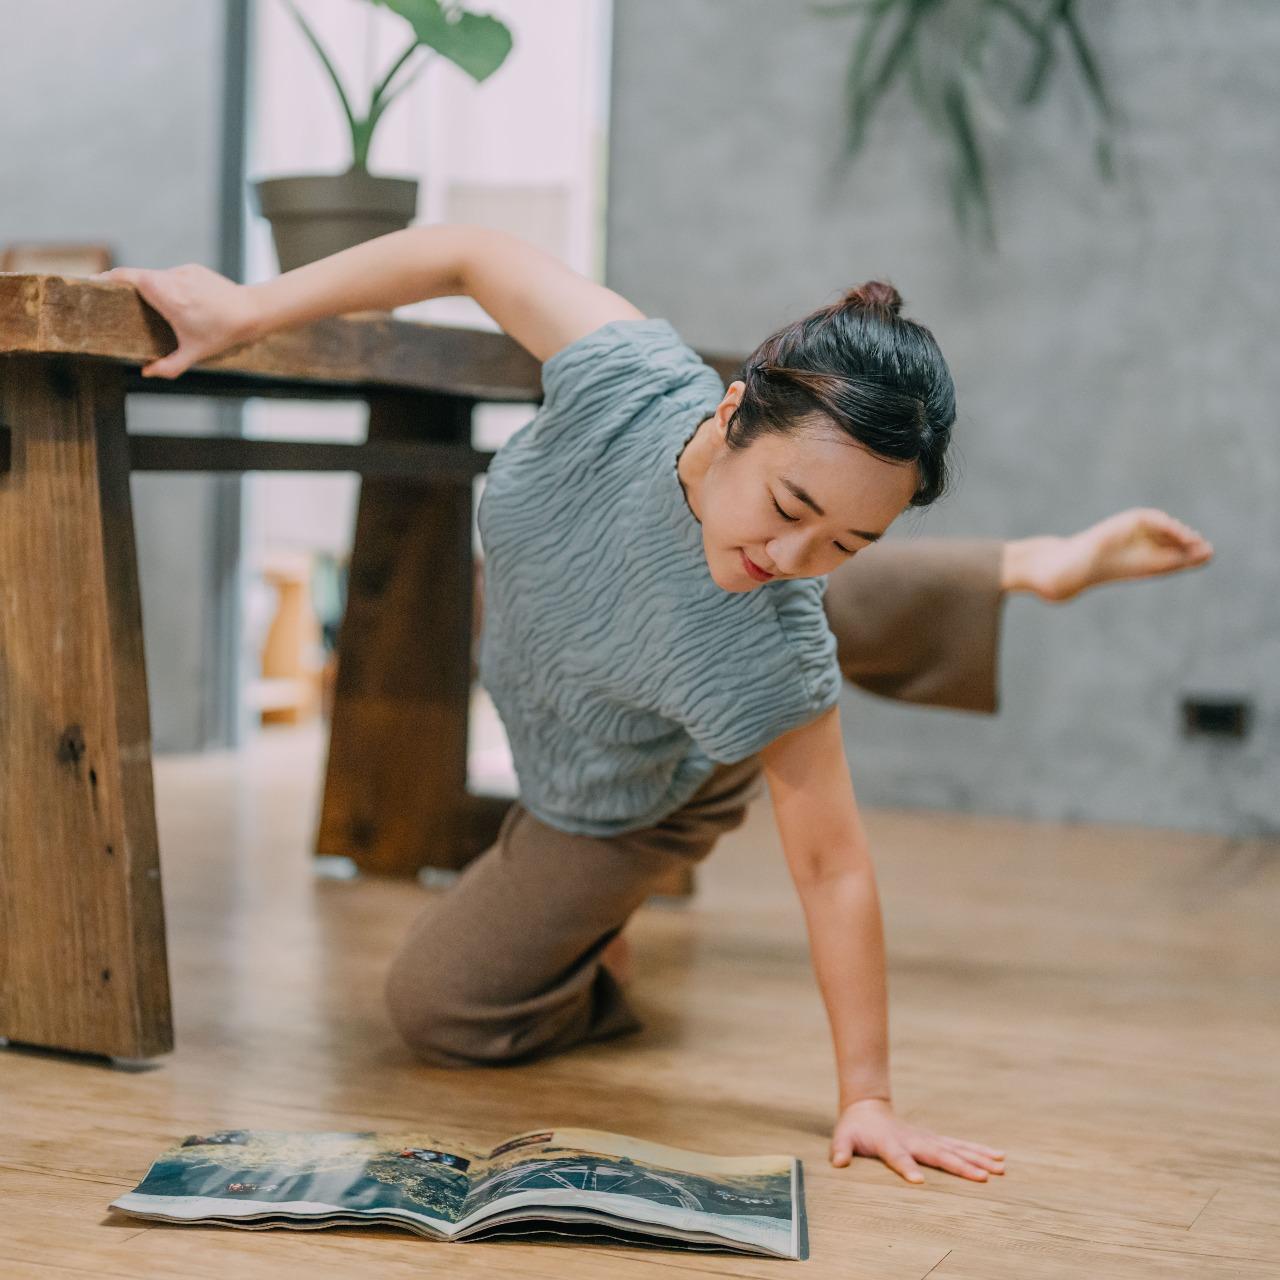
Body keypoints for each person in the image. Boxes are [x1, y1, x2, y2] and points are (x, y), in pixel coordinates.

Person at [92, 227, 1212, 1188]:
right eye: (791, 500)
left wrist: (865, 1093)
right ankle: (1030, 564)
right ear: (728, 413)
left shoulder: (768, 629)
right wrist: (246, 307)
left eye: (853, 540)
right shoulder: (628, 376)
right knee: (741, 593)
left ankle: (598, 956)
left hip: (626, 788)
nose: (798, 552)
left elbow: (832, 865)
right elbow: (465, 250)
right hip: (606, 643)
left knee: (437, 1007)